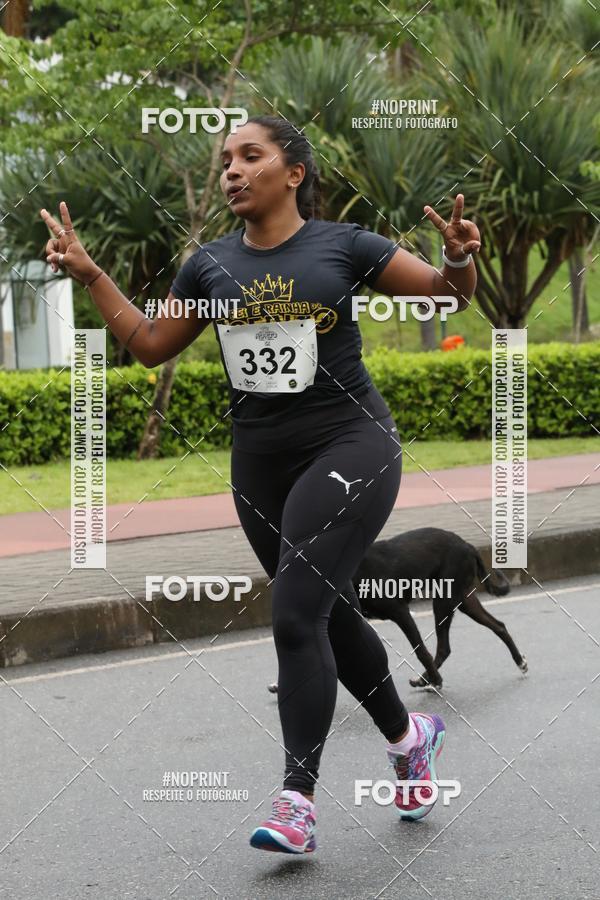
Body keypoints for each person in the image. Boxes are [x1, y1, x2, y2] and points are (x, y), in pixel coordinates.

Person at [40, 114, 481, 856]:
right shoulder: (207, 265)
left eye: (251, 156)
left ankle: (296, 802)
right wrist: (92, 276)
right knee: (327, 612)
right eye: (225, 161)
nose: (233, 171)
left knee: (292, 612)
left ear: (294, 173)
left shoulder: (346, 245)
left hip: (352, 444)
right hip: (260, 463)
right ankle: (410, 740)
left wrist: (461, 261)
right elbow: (149, 345)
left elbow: (445, 294)